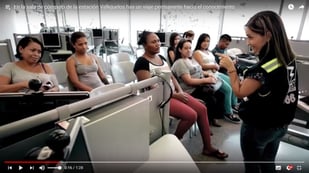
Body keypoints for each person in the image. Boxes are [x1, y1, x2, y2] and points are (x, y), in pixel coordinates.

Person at [218, 11, 298, 173]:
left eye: (251, 37)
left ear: (268, 35)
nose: (248, 42)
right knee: (268, 162)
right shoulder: (287, 59)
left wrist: (231, 68)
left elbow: (240, 92)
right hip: (280, 125)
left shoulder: (263, 69)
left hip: (260, 127)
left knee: (253, 164)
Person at [134, 31, 228, 159]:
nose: (157, 44)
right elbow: (151, 89)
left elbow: (172, 77)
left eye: (158, 41)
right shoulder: (141, 63)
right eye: (153, 42)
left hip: (173, 94)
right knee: (191, 115)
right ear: (144, 45)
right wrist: (175, 95)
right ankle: (173, 144)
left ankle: (208, 147)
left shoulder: (160, 58)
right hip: (159, 99)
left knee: (202, 109)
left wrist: (180, 91)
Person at [171, 39, 227, 127]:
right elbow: (188, 81)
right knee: (211, 99)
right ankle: (206, 123)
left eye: (190, 48)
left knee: (220, 95)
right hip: (190, 90)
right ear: (180, 49)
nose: (189, 50)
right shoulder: (180, 63)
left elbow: (199, 71)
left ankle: (212, 118)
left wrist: (208, 74)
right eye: (186, 48)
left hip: (199, 86)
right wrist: (206, 80)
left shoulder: (190, 59)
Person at [193, 33, 240, 123]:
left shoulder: (209, 52)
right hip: (207, 74)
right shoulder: (197, 52)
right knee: (228, 89)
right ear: (200, 42)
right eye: (204, 41)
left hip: (216, 73)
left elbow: (216, 64)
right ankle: (228, 112)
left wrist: (216, 66)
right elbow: (201, 66)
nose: (206, 43)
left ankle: (234, 104)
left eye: (208, 41)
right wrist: (214, 66)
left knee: (233, 82)